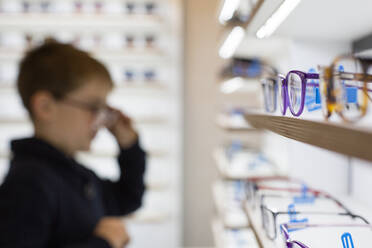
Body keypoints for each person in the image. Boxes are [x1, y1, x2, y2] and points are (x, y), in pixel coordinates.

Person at [0, 40, 147, 248]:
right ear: (45, 107)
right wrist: (103, 242)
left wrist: (129, 145)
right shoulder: (29, 184)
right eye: (94, 107)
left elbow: (127, 198)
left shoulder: (74, 174)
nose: (102, 120)